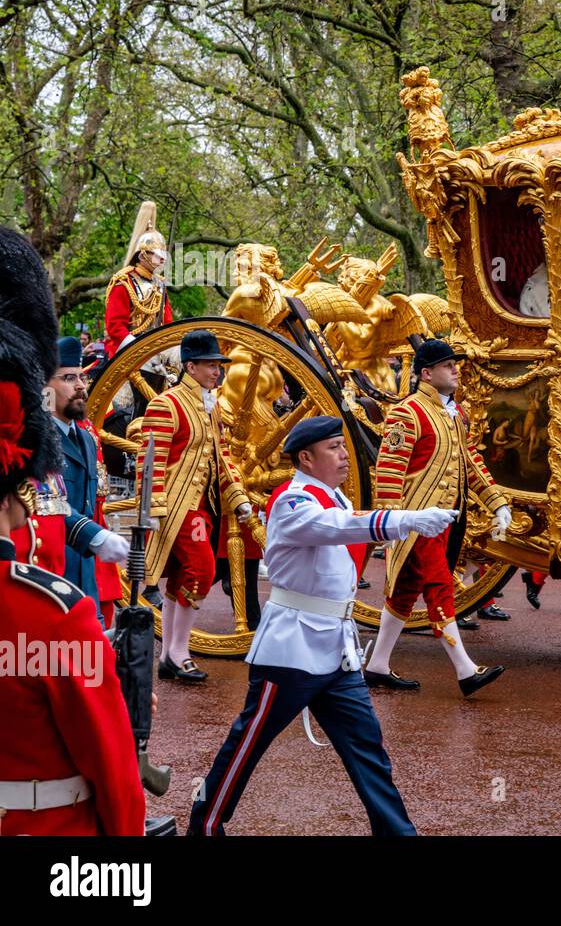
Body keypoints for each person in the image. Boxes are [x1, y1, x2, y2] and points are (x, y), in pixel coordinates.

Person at [189, 417, 458, 835]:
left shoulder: (335, 498)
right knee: (246, 746)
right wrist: (404, 519)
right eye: (334, 447)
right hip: (292, 646)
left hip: (337, 647)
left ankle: (398, 833)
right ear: (306, 458)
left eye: (342, 445)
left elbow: (347, 520)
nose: (344, 454)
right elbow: (333, 528)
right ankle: (204, 825)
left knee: (368, 750)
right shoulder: (292, 500)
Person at [0, 225, 144, 835]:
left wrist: (99, 540)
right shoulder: (49, 617)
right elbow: (111, 775)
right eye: (68, 378)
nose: (79, 386)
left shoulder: (77, 439)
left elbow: (62, 508)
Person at [363, 339, 512, 694]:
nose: (456, 369)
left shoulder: (455, 413)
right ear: (426, 374)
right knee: (439, 586)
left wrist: (497, 502)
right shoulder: (407, 412)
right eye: (448, 365)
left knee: (405, 592)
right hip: (416, 521)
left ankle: (378, 665)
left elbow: (470, 462)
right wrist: (390, 521)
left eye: (454, 364)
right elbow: (389, 471)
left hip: (442, 522)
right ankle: (465, 670)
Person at [137, 329, 253, 683]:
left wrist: (239, 496)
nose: (217, 372)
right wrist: (154, 509)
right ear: (191, 366)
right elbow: (150, 462)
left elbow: (222, 456)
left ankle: (171, 653)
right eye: (210, 365)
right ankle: (178, 651)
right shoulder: (165, 404)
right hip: (175, 506)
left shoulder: (209, 405)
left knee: (182, 578)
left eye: (218, 365)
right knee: (201, 571)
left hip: (202, 504)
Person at [46, 337, 130, 619]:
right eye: (69, 378)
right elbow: (45, 502)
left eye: (81, 377)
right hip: (49, 579)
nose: (81, 385)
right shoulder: (33, 440)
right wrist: (95, 536)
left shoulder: (86, 438)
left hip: (85, 581)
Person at [104, 201, 173, 359]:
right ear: (142, 256)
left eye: (163, 254)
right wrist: (137, 349)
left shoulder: (160, 284)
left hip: (155, 353)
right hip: (125, 353)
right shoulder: (124, 281)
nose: (162, 259)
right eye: (157, 254)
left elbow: (167, 322)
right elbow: (115, 327)